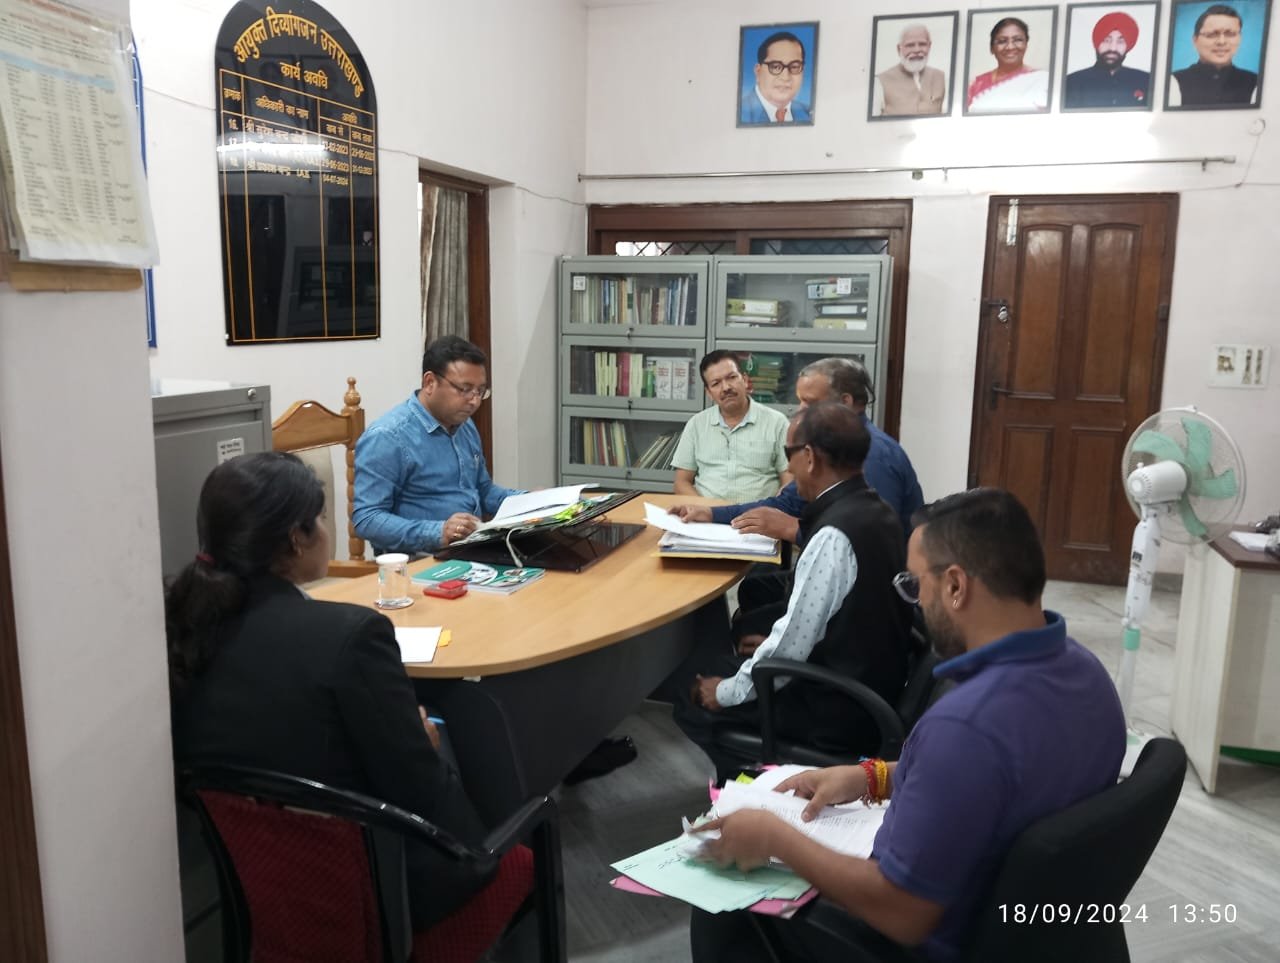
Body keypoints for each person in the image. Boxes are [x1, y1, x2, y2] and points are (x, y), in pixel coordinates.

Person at [687, 488, 1127, 963]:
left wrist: (776, 838)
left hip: (922, 938)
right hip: (1028, 933)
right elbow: (999, 781)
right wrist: (872, 777)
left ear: (956, 586)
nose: (914, 603)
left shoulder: (966, 726)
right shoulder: (1089, 677)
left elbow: (903, 913)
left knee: (719, 907)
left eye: (916, 585)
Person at [168, 452, 507, 933]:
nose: (327, 528)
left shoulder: (182, 624)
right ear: (295, 537)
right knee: (465, 752)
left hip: (257, 887)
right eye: (322, 518)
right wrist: (425, 746)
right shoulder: (351, 634)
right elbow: (418, 789)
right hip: (380, 892)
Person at [673, 403, 913, 782]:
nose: (789, 469)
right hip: (868, 684)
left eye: (789, 455)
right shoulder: (874, 510)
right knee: (742, 655)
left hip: (835, 712)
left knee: (692, 695)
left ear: (810, 458)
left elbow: (790, 648)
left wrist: (723, 693)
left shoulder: (833, 536)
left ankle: (750, 790)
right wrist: (773, 643)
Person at [672, 358, 923, 544]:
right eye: (799, 400)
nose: (799, 410)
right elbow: (785, 502)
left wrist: (793, 529)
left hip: (869, 596)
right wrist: (711, 513)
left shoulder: (873, 454)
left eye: (810, 402)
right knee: (755, 592)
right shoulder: (830, 440)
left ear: (846, 402)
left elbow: (868, 543)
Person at [353, 335, 520, 554]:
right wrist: (438, 532)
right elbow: (367, 519)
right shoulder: (387, 436)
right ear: (430, 382)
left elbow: (483, 491)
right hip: (420, 561)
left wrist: (535, 503)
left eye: (480, 391)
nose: (475, 401)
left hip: (470, 550)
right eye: (465, 389)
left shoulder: (464, 425)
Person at [671, 350, 792, 501]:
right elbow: (681, 482)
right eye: (716, 383)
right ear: (709, 393)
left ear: (745, 380)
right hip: (706, 518)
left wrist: (772, 510)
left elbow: (790, 479)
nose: (726, 387)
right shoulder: (696, 424)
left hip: (758, 518)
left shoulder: (777, 423)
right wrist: (706, 511)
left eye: (732, 377)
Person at [1171, 4, 1258, 107]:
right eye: (1212, 34)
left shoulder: (1256, 83)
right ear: (1195, 40)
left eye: (1230, 34)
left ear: (1240, 38)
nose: (1221, 42)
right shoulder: (1174, 82)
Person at [1063, 11, 1151, 109]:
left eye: (1120, 41)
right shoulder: (1072, 82)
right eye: (1106, 40)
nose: (1113, 48)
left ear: (1128, 46)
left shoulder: (1146, 80)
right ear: (1097, 43)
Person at [966, 17, 1049, 113]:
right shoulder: (975, 85)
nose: (1010, 47)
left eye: (1017, 40)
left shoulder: (1042, 80)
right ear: (992, 48)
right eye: (1002, 41)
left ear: (1026, 44)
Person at [873, 23, 947, 116]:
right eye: (910, 45)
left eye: (922, 44)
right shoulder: (880, 81)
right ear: (899, 49)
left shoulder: (941, 77)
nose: (917, 50)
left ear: (929, 46)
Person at [740, 30, 812, 124]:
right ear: (758, 72)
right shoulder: (739, 112)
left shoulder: (809, 113)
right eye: (775, 67)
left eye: (794, 66)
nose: (785, 77)